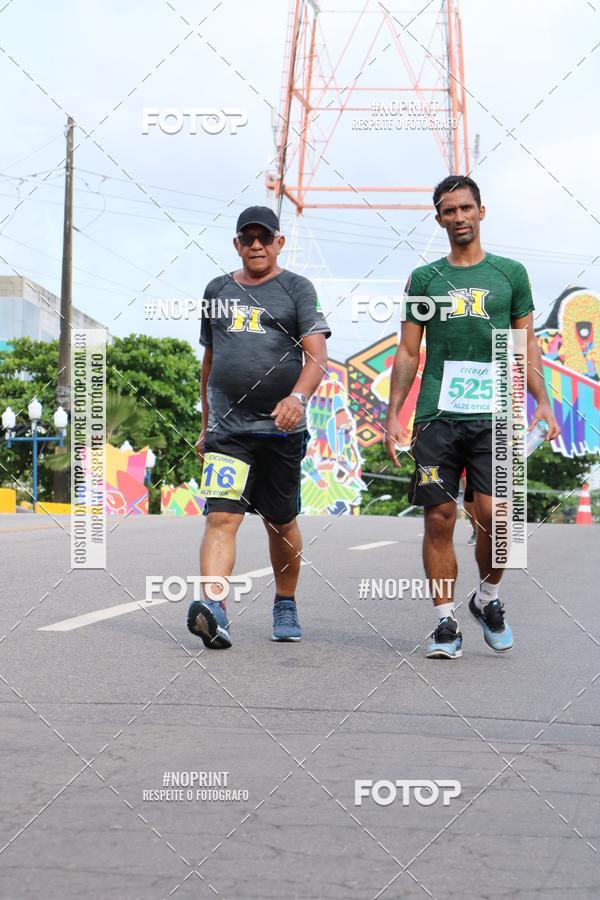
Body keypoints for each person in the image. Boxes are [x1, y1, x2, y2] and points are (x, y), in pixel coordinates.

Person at [385, 175, 560, 659]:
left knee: (499, 521)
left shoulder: (510, 274)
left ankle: (487, 598)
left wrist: (543, 400)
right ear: (438, 218)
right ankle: (445, 624)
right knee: (439, 518)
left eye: (465, 208)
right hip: (437, 415)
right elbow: (407, 350)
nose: (458, 217)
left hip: (497, 414)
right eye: (448, 210)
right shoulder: (425, 279)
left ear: (482, 212)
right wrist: (393, 413)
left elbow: (527, 346)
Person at [189, 205, 330, 649]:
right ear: (236, 244)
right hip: (229, 433)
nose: (255, 245)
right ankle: (215, 609)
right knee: (221, 516)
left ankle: (285, 601)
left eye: (263, 237)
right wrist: (206, 426)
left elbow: (316, 357)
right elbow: (209, 363)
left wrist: (298, 397)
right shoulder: (218, 289)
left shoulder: (297, 289)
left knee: (280, 522)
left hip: (281, 431)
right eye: (246, 238)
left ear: (278, 242)